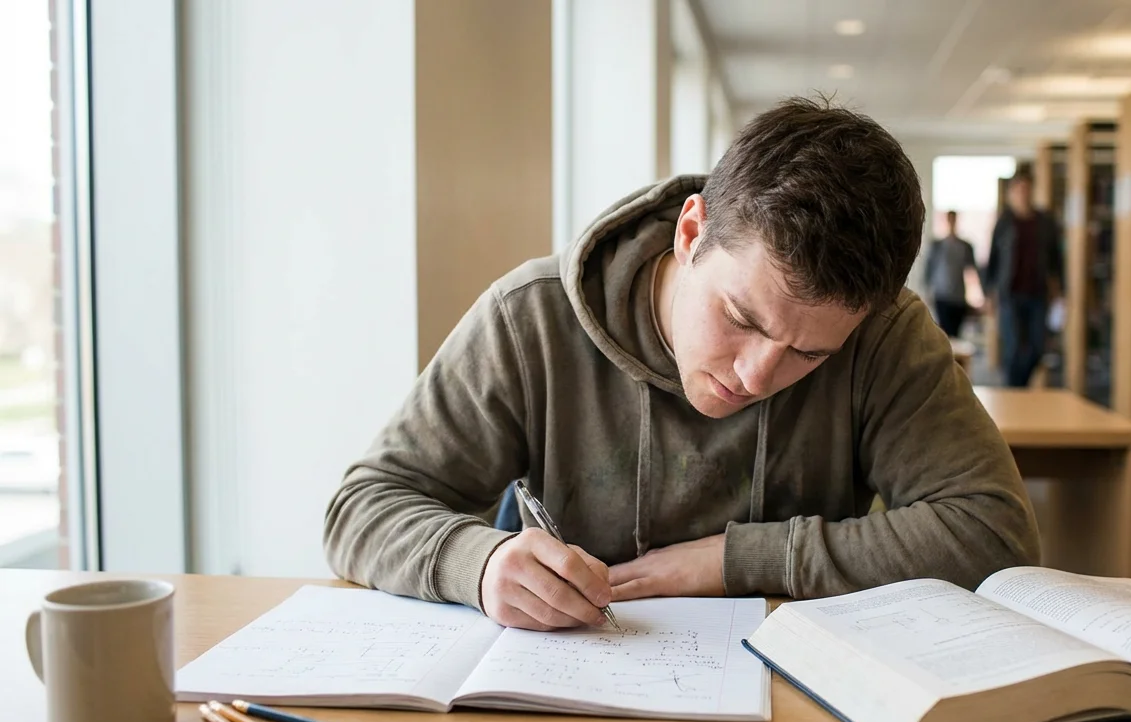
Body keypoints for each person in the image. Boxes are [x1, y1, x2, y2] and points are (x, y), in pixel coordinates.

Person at [324, 97, 1039, 632]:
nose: (758, 376)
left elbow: (994, 532)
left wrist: (730, 563)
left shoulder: (884, 335)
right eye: (741, 318)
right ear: (691, 232)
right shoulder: (529, 318)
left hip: (808, 703)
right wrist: (475, 565)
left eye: (809, 354)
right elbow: (361, 508)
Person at [985, 174, 1063, 388]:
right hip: (1010, 293)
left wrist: (1058, 289)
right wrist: (989, 294)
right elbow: (993, 260)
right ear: (1011, 194)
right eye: (1018, 190)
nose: (1023, 194)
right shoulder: (1004, 223)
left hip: (1037, 293)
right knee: (1014, 347)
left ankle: (1018, 387)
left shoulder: (1045, 222)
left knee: (1037, 348)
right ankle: (1014, 391)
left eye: (1026, 189)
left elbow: (1056, 258)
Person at [922, 211, 978, 338]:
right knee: (943, 332)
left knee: (956, 334)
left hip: (958, 297)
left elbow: (973, 271)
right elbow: (928, 270)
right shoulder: (937, 246)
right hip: (942, 295)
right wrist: (927, 292)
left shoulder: (965, 246)